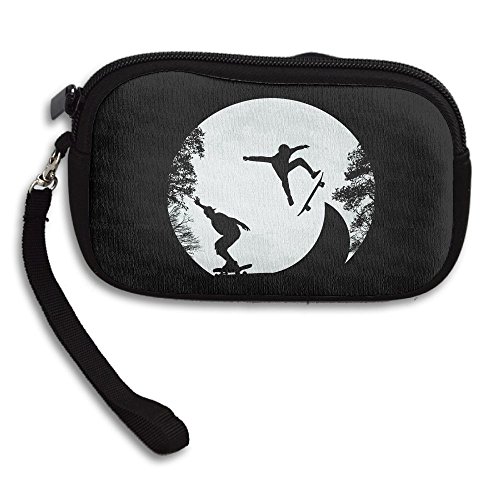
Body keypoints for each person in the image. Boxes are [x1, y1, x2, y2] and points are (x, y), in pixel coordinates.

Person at [243, 144, 320, 206]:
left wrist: (303, 146)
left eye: (287, 153)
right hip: (282, 173)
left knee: (299, 160)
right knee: (285, 182)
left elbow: (296, 148)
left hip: (287, 167)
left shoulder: (289, 151)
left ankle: (312, 173)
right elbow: (261, 158)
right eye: (285, 154)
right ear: (281, 153)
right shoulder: (274, 159)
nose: (286, 155)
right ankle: (289, 197)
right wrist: (249, 158)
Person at [194, 197, 250, 271]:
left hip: (233, 232)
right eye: (206, 215)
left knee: (219, 247)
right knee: (219, 247)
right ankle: (230, 262)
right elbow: (206, 209)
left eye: (208, 214)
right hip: (229, 234)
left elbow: (232, 219)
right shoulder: (213, 219)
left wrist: (242, 224)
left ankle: (231, 263)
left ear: (212, 212)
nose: (207, 216)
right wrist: (199, 204)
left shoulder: (218, 216)